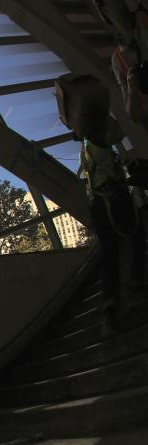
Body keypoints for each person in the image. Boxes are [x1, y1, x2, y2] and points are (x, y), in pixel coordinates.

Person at [78, 136, 146, 334]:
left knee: (109, 254)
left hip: (97, 203)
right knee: (137, 235)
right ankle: (136, 283)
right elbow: (111, 171)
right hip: (113, 196)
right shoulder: (98, 141)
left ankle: (110, 308)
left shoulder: (85, 149)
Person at [90, 0, 148, 125]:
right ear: (104, 9)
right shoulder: (118, 60)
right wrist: (132, 87)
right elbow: (134, 116)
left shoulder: (144, 17)